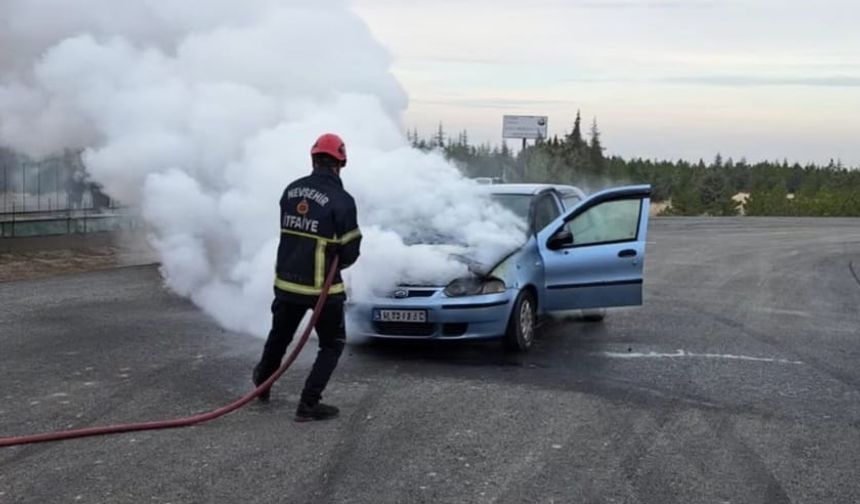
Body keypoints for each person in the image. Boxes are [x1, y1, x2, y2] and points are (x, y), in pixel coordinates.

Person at [253, 133, 361, 422]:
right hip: (322, 289)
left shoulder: (290, 191)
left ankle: (262, 386)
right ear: (341, 163)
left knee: (280, 336)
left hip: (286, 282)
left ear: (313, 159)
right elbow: (351, 252)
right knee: (332, 343)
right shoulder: (342, 200)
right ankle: (309, 404)